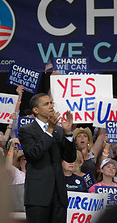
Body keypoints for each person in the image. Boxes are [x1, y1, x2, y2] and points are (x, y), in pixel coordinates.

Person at [18, 93, 76, 223]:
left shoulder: (59, 130)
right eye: (46, 104)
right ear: (36, 110)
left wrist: (67, 133)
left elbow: (70, 158)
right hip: (38, 195)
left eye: (51, 103)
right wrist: (49, 129)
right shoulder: (26, 130)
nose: (51, 106)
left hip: (59, 194)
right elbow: (35, 154)